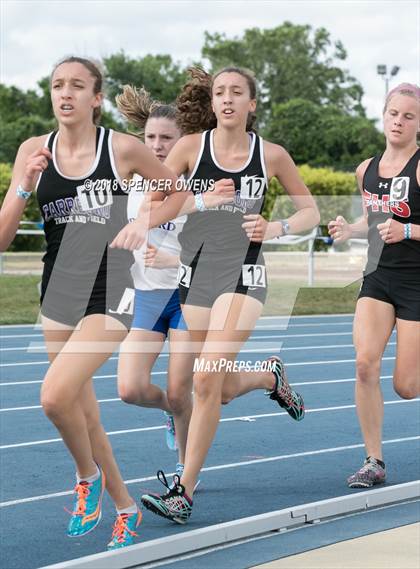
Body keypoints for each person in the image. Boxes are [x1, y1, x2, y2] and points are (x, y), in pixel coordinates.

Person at [0, 57, 187, 549]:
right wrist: (24, 184)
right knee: (85, 415)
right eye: (57, 85)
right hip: (59, 290)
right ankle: (126, 506)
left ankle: (87, 477)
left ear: (95, 98)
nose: (65, 93)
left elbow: (179, 193)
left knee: (54, 396)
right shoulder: (32, 151)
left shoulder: (122, 148)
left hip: (111, 288)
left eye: (77, 86)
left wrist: (143, 222)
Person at [136, 66, 320, 523]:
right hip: (196, 275)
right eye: (220, 92)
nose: (228, 99)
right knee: (212, 388)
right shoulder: (188, 149)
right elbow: (152, 210)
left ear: (252, 104)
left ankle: (184, 492)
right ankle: (266, 378)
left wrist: (276, 227)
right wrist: (201, 201)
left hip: (244, 275)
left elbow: (311, 211)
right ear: (213, 102)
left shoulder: (271, 155)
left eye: (237, 92)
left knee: (204, 380)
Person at [328, 83, 420, 488]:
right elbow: (373, 221)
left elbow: (399, 225)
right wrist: (350, 228)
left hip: (417, 281)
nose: (398, 122)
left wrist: (410, 230)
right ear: (382, 116)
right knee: (365, 364)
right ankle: (374, 459)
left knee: (407, 385)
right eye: (393, 114)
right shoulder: (365, 169)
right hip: (378, 277)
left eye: (408, 116)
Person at [115, 86, 196, 480]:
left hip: (188, 298)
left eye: (167, 138)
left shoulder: (198, 189)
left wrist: (174, 259)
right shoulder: (131, 185)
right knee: (130, 389)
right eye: (150, 138)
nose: (158, 146)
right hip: (147, 297)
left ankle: (185, 473)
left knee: (185, 392)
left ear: (183, 141)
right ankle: (170, 410)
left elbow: (219, 255)